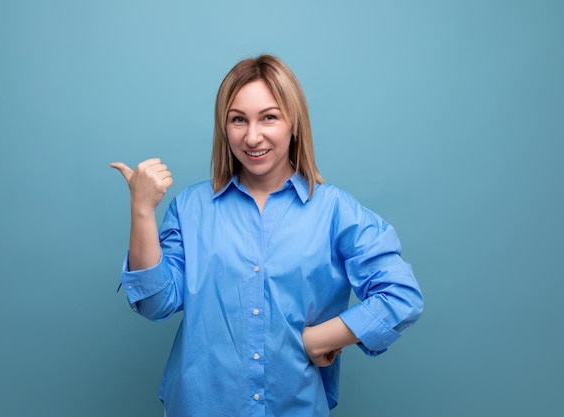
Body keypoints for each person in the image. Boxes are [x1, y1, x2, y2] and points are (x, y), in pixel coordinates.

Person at [111, 54, 423, 417]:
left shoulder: (336, 211)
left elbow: (401, 295)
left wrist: (322, 338)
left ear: (294, 123)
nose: (252, 136)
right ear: (224, 127)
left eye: (269, 117)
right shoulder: (191, 207)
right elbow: (155, 303)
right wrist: (142, 211)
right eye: (238, 120)